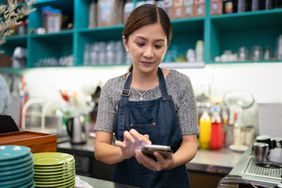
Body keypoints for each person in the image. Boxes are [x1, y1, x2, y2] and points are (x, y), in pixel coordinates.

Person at [94, 4, 198, 188]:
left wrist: (170, 161)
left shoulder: (180, 83)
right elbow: (100, 149)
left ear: (167, 44)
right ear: (126, 42)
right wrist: (125, 152)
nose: (149, 53)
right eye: (140, 43)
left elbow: (190, 144)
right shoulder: (112, 88)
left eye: (158, 45)